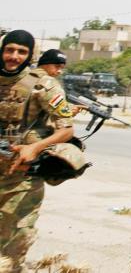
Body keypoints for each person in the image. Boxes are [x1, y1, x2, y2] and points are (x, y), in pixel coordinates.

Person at [0, 30, 76, 270]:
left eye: (21, 52)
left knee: (13, 245)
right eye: (9, 50)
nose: (14, 56)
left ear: (30, 55)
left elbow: (66, 130)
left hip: (21, 178)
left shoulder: (44, 84)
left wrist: (35, 147)